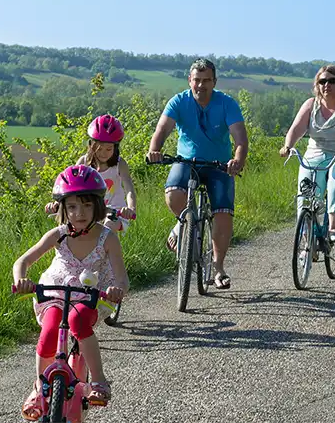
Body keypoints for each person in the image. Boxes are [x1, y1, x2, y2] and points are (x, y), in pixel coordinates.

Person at [14, 165, 129, 421]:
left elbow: (121, 276)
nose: (80, 213)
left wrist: (117, 289)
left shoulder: (108, 237)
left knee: (78, 321)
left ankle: (98, 381)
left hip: (89, 293)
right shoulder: (59, 235)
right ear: (63, 208)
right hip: (55, 291)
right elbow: (22, 261)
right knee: (48, 331)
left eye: (87, 206)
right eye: (73, 206)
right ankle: (39, 386)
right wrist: (20, 279)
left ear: (98, 206)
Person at [146, 58, 248, 289]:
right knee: (173, 193)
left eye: (206, 81)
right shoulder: (179, 101)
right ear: (189, 80)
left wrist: (237, 160)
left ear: (214, 82)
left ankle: (218, 267)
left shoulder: (226, 104)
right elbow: (162, 129)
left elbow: (240, 139)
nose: (201, 85)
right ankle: (183, 224)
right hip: (186, 161)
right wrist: (155, 150)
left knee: (223, 213)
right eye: (197, 80)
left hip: (219, 164)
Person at [279, 64, 335, 242]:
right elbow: (296, 129)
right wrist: (287, 146)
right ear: (317, 84)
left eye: (332, 81)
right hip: (315, 155)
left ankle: (334, 226)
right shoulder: (311, 104)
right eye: (322, 81)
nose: (326, 85)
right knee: (306, 191)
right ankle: (306, 240)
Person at [45, 114, 137, 233]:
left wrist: (131, 208)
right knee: (67, 227)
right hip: (91, 211)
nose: (103, 153)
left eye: (109, 149)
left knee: (108, 226)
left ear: (116, 148)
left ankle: (108, 250)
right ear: (91, 145)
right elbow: (71, 187)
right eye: (99, 149)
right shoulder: (83, 162)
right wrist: (57, 204)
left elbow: (129, 188)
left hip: (116, 211)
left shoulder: (120, 164)